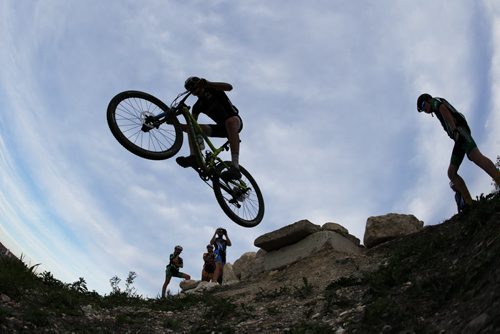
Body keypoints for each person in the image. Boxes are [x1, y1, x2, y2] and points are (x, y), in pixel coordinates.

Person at [417, 93, 500, 207]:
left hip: (460, 132)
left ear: (427, 99)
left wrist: (455, 129)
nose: (424, 110)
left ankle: (498, 178)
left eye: (422, 105)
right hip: (458, 138)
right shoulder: (435, 105)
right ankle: (469, 203)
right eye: (422, 109)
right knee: (451, 173)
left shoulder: (434, 101)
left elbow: (443, 109)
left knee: (477, 157)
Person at [176, 76, 243, 181]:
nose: (195, 90)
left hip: (234, 120)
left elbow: (229, 87)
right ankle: (194, 157)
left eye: (195, 86)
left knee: (229, 122)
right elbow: (190, 127)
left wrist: (208, 83)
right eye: (192, 89)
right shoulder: (197, 106)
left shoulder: (214, 89)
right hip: (220, 128)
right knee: (193, 127)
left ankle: (235, 166)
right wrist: (176, 124)